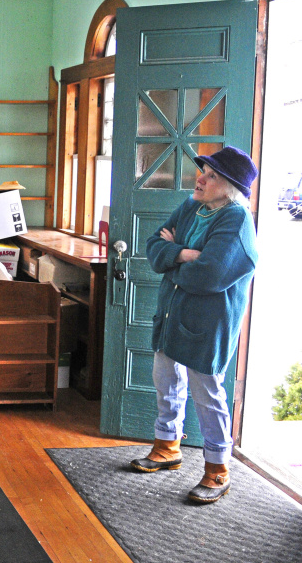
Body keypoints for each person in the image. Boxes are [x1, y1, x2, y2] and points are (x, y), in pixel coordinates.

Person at [130, 146, 259, 504]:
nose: (200, 178)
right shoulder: (193, 205)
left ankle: (218, 469)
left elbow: (211, 275)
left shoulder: (235, 220)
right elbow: (154, 246)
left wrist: (174, 259)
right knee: (166, 380)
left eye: (212, 175)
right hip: (172, 314)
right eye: (203, 170)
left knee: (207, 394)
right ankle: (167, 446)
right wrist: (184, 254)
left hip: (208, 322)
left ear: (230, 187)